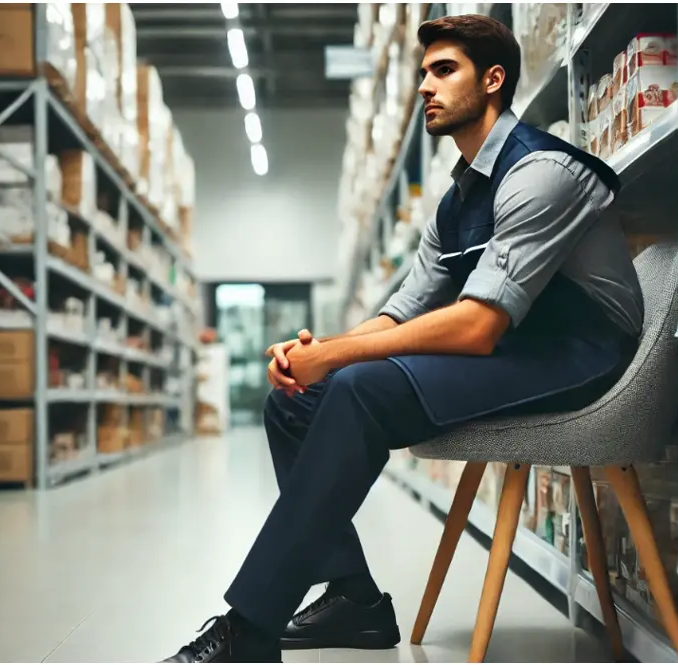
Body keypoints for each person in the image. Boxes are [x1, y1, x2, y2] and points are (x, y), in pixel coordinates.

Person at [162, 14, 643, 664]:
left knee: (360, 386)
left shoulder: (539, 171)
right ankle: (355, 600)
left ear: (493, 80)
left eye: (443, 70)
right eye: (421, 73)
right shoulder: (454, 203)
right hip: (519, 343)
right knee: (296, 400)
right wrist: (314, 357)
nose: (424, 86)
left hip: (584, 351)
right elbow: (399, 314)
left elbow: (476, 326)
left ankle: (249, 628)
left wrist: (334, 357)